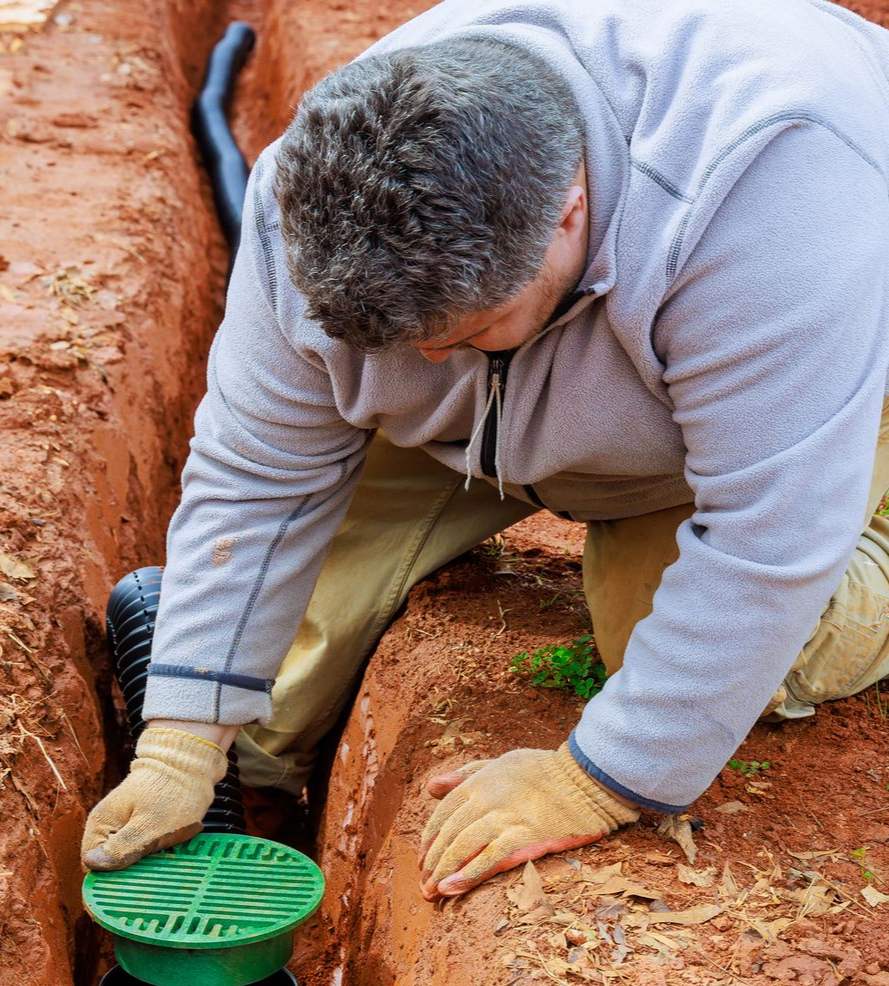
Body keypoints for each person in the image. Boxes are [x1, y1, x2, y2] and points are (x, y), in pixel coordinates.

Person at [82, 0, 889, 901]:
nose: (427, 362)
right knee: (279, 678)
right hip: (505, 411)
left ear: (567, 211)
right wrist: (184, 742)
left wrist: (595, 777)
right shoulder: (303, 198)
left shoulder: (770, 203)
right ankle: (263, 792)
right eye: (405, 348)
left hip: (777, 386)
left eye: (467, 330)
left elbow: (765, 539)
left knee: (677, 636)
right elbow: (258, 476)